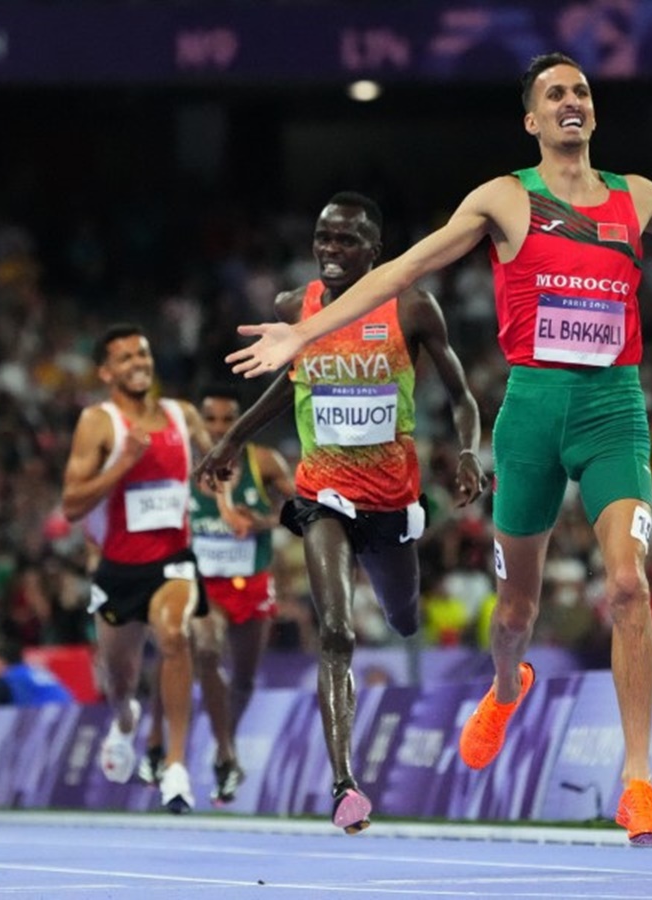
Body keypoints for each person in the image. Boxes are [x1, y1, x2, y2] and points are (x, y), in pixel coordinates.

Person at [224, 54, 652, 845]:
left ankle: (638, 786)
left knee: (628, 585)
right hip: (529, 413)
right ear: (531, 118)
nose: (571, 101)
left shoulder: (637, 198)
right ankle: (503, 685)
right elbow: (407, 266)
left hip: (612, 409)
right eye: (555, 93)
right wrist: (305, 332)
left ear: (593, 113)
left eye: (581, 91)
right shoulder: (504, 197)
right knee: (516, 608)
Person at [195, 191, 485, 833]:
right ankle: (345, 784)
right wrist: (234, 437)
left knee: (403, 617)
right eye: (323, 238)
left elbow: (462, 394)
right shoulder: (295, 308)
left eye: (346, 240)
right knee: (335, 631)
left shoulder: (411, 305)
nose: (330, 250)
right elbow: (291, 377)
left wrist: (468, 449)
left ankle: (396, 609)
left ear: (374, 250)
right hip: (321, 493)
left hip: (391, 501)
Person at [61, 323, 214, 814]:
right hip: (117, 570)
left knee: (174, 636)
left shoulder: (180, 414)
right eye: (125, 358)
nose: (137, 364)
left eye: (142, 354)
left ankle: (175, 766)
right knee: (121, 680)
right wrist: (121, 465)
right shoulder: (99, 423)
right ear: (107, 372)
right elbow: (71, 505)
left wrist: (222, 480)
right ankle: (124, 720)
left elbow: (215, 464)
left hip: (174, 560)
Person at [139, 385, 295, 805]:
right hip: (200, 584)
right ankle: (222, 754)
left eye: (229, 420)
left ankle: (225, 740)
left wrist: (263, 521)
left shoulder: (262, 461)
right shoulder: (181, 468)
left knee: (242, 678)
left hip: (252, 584)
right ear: (199, 425)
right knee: (202, 649)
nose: (220, 428)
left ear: (241, 422)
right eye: (211, 420)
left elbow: (304, 507)